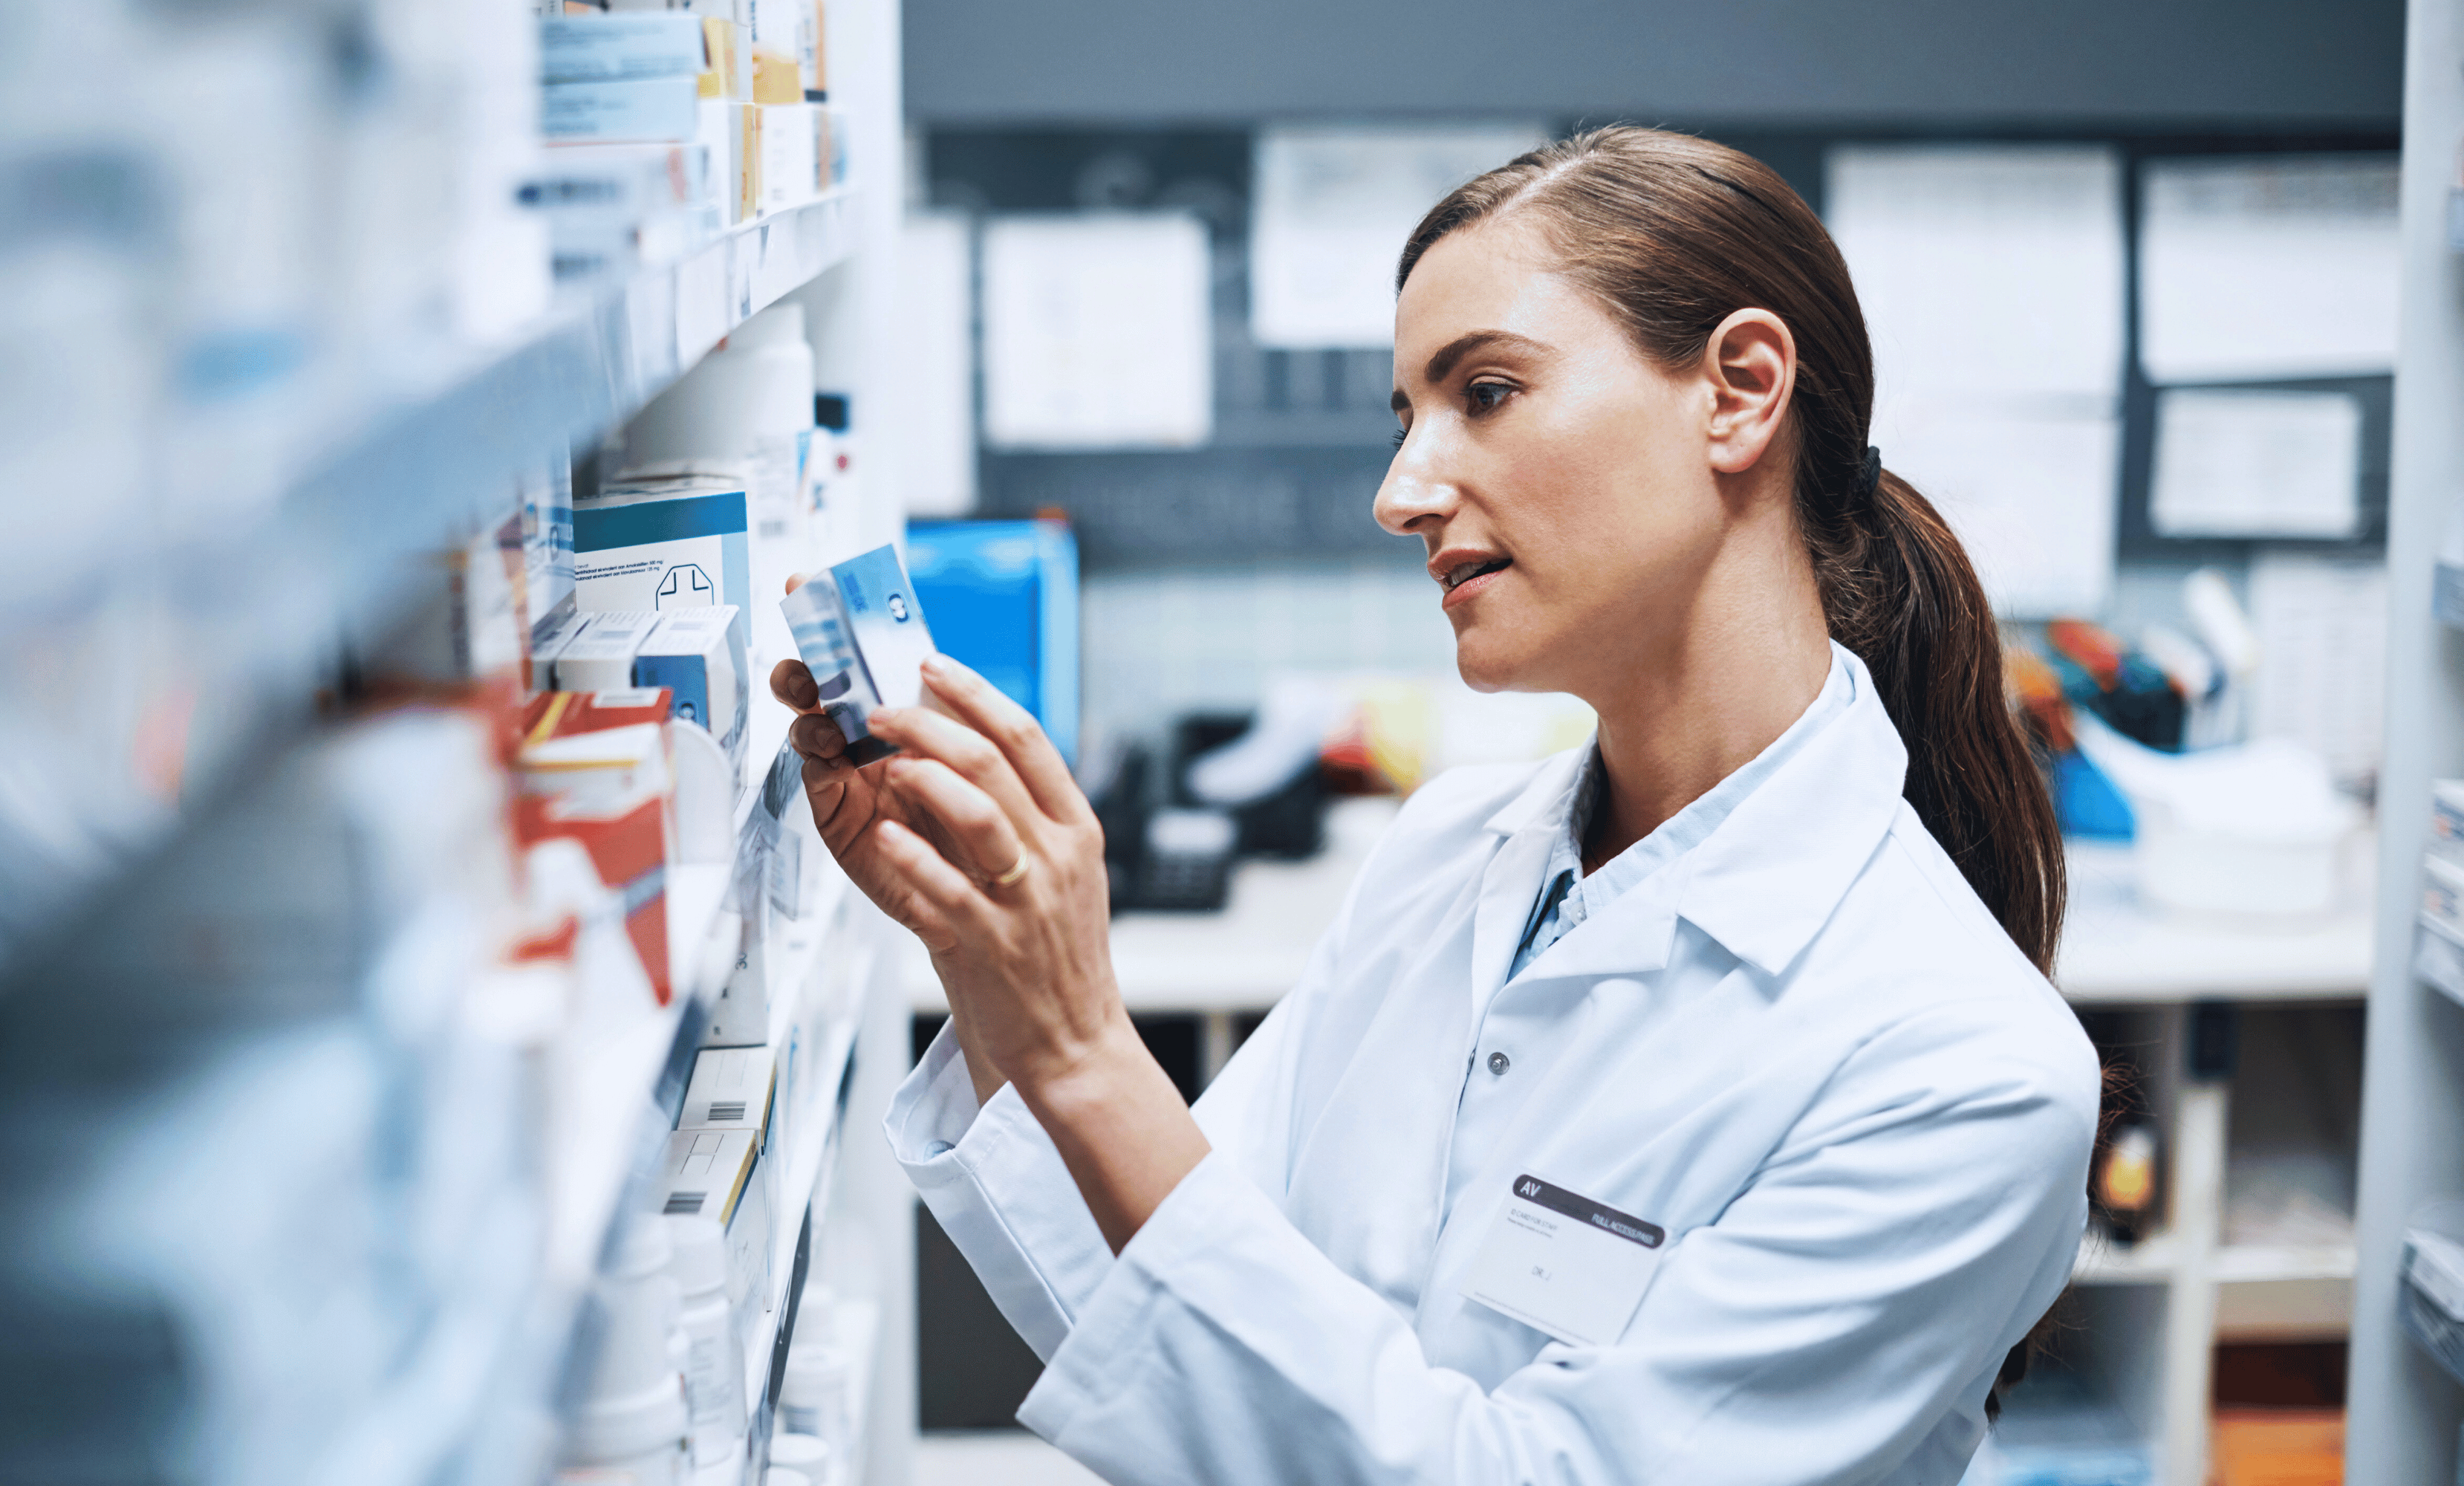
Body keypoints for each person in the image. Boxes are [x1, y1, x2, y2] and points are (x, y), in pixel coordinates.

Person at [771, 126, 2100, 1484]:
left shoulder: (1965, 1074)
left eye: (1488, 391)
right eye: (1405, 417)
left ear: (1741, 391)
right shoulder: (1453, 852)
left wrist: (1080, 1049)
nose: (1401, 492)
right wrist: (993, 962)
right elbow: (1169, 1305)